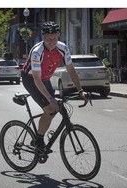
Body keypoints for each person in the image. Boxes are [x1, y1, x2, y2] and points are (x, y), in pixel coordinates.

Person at [21, 21, 87, 153]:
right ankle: (38, 140)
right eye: (48, 38)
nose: (51, 41)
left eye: (54, 38)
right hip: (31, 79)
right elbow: (36, 79)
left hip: (44, 79)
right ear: (43, 37)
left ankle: (39, 136)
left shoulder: (63, 48)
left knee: (55, 109)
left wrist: (80, 90)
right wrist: (51, 99)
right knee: (50, 108)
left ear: (58, 36)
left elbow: (71, 69)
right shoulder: (37, 52)